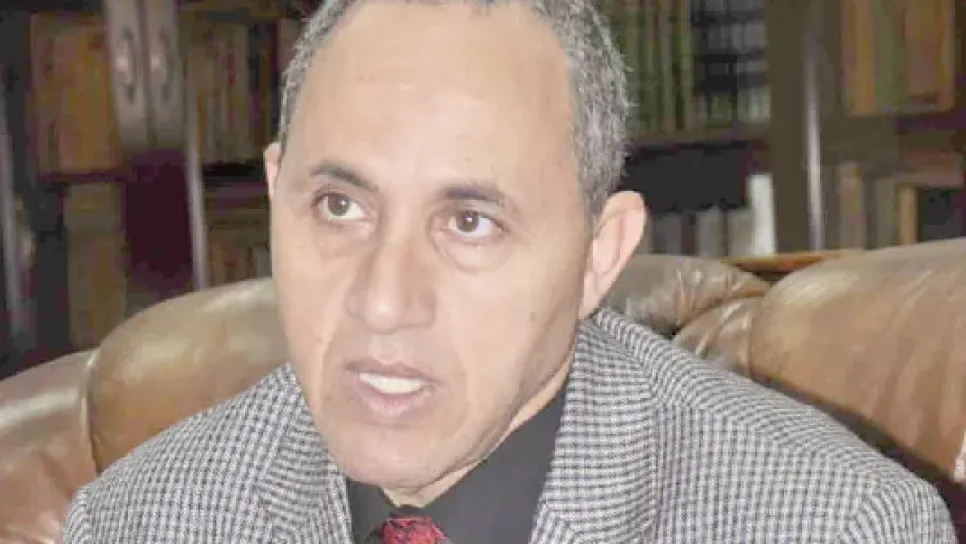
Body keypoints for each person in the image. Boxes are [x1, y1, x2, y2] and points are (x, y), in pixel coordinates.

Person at [63, 0, 955, 541]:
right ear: (273, 193)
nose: (383, 302)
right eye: (339, 206)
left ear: (600, 256)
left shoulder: (833, 524)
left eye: (470, 223)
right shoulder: (139, 523)